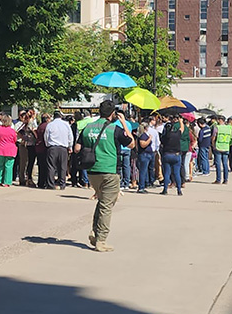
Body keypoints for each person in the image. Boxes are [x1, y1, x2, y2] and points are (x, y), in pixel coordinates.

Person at [74, 100, 133, 252]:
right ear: (113, 113)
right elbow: (131, 144)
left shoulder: (87, 127)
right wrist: (124, 123)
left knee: (102, 202)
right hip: (110, 170)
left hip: (92, 171)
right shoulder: (115, 129)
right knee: (107, 206)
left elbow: (77, 148)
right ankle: (101, 240)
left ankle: (95, 232)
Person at [44, 110, 73, 190]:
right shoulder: (66, 125)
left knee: (51, 166)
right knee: (63, 166)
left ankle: (51, 184)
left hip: (52, 147)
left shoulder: (50, 125)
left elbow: (46, 136)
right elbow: (70, 137)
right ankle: (62, 184)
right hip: (63, 148)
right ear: (61, 116)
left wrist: (47, 145)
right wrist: (70, 146)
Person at [160, 116, 183, 196]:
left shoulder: (164, 137)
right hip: (176, 155)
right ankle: (179, 190)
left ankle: (165, 189)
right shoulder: (177, 134)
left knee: (167, 173)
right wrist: (180, 121)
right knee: (177, 173)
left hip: (167, 154)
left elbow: (162, 143)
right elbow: (182, 129)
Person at [0, 114, 18, 187]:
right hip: (10, 149)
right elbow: (15, 140)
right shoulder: (12, 130)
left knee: (0, 165)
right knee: (8, 166)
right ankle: (7, 182)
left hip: (1, 149)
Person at [17, 110, 38, 187]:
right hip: (32, 144)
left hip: (28, 144)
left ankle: (27, 178)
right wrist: (36, 137)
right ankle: (29, 179)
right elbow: (35, 133)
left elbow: (18, 132)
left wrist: (24, 138)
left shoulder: (25, 124)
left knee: (27, 162)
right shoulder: (31, 123)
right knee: (30, 162)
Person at [211, 116, 232, 185]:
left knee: (218, 164)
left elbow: (213, 137)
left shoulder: (217, 127)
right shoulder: (229, 128)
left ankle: (218, 179)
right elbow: (231, 138)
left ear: (220, 120)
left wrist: (213, 145)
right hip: (226, 147)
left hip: (218, 147)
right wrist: (229, 144)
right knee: (225, 164)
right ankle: (226, 179)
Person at [136, 121, 154, 194]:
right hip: (144, 154)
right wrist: (149, 139)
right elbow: (143, 144)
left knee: (146, 171)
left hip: (148, 154)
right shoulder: (142, 135)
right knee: (143, 171)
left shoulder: (144, 135)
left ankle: (144, 184)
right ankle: (141, 187)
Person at [35, 113, 51, 189]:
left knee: (41, 166)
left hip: (39, 148)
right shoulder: (47, 126)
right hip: (44, 148)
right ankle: (45, 182)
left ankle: (40, 182)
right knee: (46, 166)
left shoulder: (40, 126)